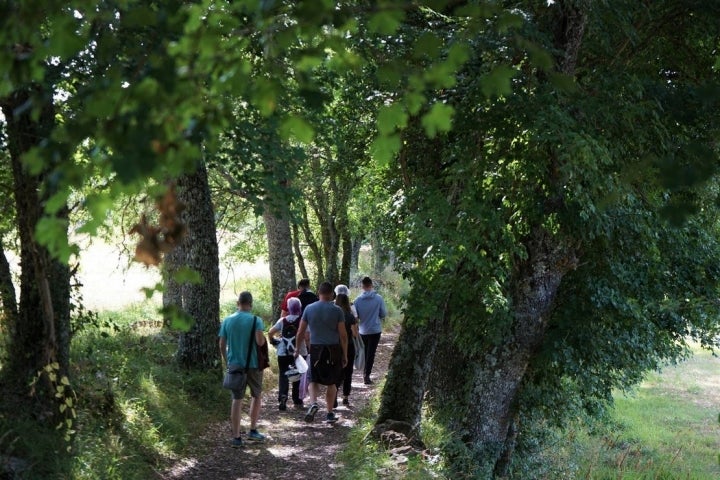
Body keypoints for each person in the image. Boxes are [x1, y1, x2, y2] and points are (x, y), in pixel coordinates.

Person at [218, 291, 267, 447]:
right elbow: (260, 342)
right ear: (250, 304)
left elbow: (221, 344)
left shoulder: (227, 320)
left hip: (235, 365)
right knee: (256, 395)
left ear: (237, 303)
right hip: (253, 365)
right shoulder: (256, 320)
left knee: (236, 400)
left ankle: (236, 437)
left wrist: (227, 361)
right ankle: (253, 430)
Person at [295, 282, 347, 423]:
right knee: (331, 383)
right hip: (333, 350)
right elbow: (343, 335)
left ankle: (313, 403)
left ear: (319, 293)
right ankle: (329, 413)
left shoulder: (309, 309)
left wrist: (296, 349)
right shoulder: (337, 311)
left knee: (313, 379)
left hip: (315, 349)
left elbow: (300, 331)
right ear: (331, 294)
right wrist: (345, 354)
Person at [267, 297, 308, 410]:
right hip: (300, 351)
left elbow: (270, 332)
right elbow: (307, 337)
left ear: (289, 308)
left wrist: (273, 341)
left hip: (283, 352)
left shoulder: (282, 321)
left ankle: (283, 396)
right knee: (298, 375)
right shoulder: (302, 321)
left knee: (283, 375)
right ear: (299, 308)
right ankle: (297, 399)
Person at [353, 276, 387, 385]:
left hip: (363, 330)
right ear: (371, 285)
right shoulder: (379, 298)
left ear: (362, 286)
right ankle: (366, 375)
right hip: (375, 329)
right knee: (371, 353)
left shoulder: (357, 300)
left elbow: (355, 317)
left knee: (364, 351)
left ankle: (363, 370)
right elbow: (383, 314)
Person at [334, 292, 358, 407]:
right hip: (349, 346)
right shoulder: (350, 315)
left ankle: (333, 396)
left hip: (335, 347)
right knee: (348, 372)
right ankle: (345, 396)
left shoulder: (333, 315)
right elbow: (355, 333)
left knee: (336, 372)